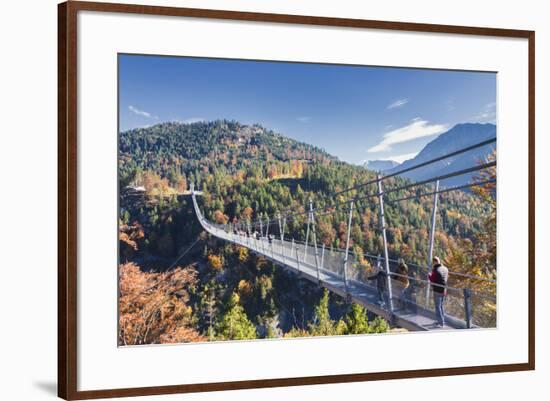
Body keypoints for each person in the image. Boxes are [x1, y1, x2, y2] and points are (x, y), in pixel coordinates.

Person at [429, 256, 449, 327]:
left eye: (433, 262)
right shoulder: (445, 269)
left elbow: (432, 279)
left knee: (437, 307)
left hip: (437, 290)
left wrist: (429, 275)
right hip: (444, 290)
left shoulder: (436, 270)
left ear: (434, 262)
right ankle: (441, 320)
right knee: (441, 306)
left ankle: (441, 323)